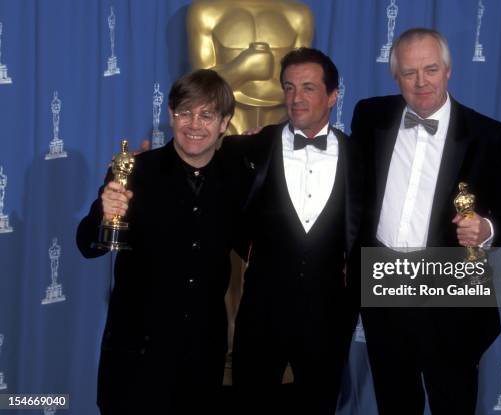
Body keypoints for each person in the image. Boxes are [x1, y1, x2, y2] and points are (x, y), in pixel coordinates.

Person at [351, 28, 501, 414]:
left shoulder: (487, 135)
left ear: (448, 70)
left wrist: (487, 228)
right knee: (395, 402)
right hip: (383, 286)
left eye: (430, 69)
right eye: (410, 72)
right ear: (395, 76)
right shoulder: (370, 116)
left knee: (453, 401)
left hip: (451, 296)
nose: (421, 82)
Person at [76, 69, 245, 414]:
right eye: (185, 112)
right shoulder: (136, 172)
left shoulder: (239, 176)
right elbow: (87, 245)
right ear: (170, 116)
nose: (194, 124)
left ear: (224, 123)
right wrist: (100, 214)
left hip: (203, 360)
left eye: (207, 114)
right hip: (137, 359)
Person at [225, 47, 361, 415]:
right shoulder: (249, 148)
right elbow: (202, 179)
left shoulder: (361, 158)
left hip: (328, 318)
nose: (296, 98)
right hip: (261, 314)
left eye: (308, 88)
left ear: (333, 96)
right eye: (289, 87)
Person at [187, 0, 314, 134]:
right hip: (225, 124)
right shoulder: (205, 13)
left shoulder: (299, 16)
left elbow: (301, 85)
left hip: (281, 125)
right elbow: (200, 89)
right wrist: (242, 69)